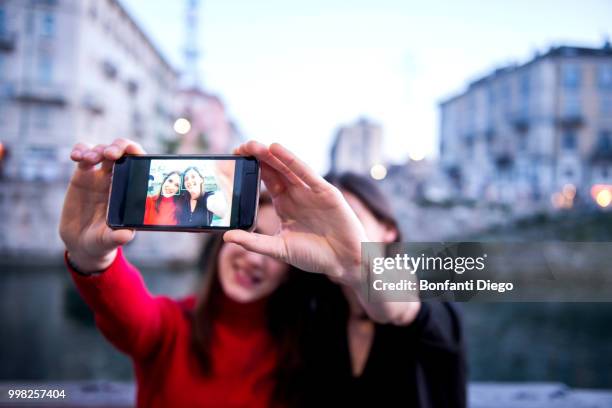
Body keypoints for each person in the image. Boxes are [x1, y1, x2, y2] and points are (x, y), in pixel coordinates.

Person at [59, 138, 464, 407]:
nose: (255, 257)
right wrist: (93, 259)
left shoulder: (303, 335)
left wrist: (360, 263)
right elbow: (127, 312)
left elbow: (402, 310)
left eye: (275, 248)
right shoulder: (177, 326)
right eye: (251, 238)